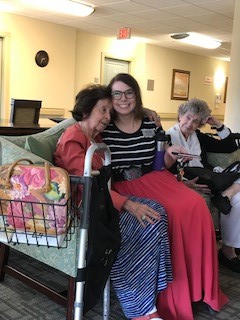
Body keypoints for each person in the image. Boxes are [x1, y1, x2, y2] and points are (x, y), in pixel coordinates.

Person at [101, 73, 228, 320]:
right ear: (110, 96)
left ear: (136, 95)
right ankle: (168, 296)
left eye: (129, 92)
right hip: (124, 185)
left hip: (156, 178)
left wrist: (171, 152)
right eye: (117, 93)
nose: (123, 98)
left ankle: (198, 289)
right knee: (168, 213)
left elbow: (160, 164)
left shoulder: (150, 123)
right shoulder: (105, 125)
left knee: (196, 205)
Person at [54, 84, 173, 320]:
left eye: (110, 111)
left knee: (158, 212)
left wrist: (145, 109)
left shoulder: (94, 136)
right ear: (86, 110)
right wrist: (128, 204)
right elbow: (87, 188)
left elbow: (125, 108)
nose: (108, 117)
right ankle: (139, 309)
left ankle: (148, 297)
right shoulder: (73, 139)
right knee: (145, 223)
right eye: (103, 110)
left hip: (104, 202)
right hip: (87, 209)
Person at [166, 98, 240, 273]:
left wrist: (218, 124)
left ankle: (228, 249)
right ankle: (227, 193)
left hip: (210, 177)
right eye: (188, 118)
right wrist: (185, 184)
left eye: (196, 121)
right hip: (193, 179)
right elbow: (165, 168)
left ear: (200, 124)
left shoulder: (198, 136)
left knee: (239, 199)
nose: (190, 124)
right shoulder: (168, 137)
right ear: (180, 116)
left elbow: (229, 147)